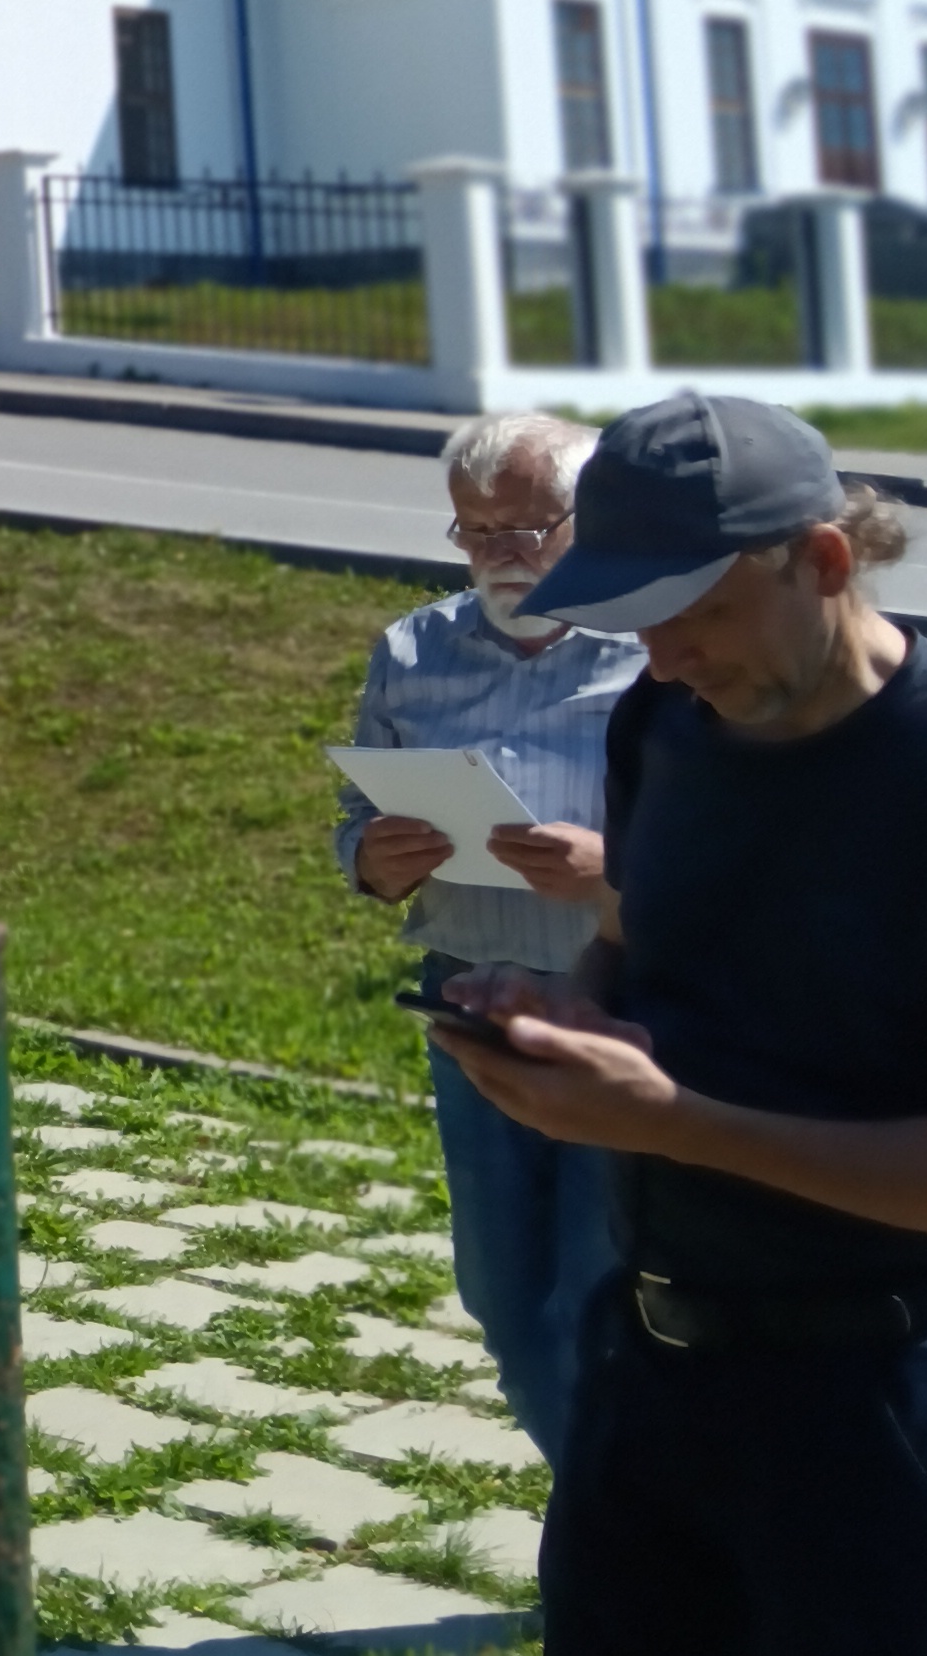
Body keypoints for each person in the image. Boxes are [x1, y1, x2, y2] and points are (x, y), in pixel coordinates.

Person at [438, 392, 927, 1653]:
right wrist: (566, 1012)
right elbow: (633, 933)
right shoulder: (664, 724)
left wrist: (673, 1123)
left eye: (693, 614)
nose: (662, 658)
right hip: (652, 1374)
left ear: (823, 561)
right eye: (632, 624)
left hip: (891, 1408)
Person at [334, 407, 641, 1467]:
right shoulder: (411, 650)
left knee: (599, 1294)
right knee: (504, 1300)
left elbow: (730, 841)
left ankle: (619, 1554)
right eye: (477, 531)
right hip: (471, 999)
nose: (503, 555)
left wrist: (615, 871)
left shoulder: (654, 652)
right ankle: (604, 1522)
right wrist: (371, 861)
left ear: (585, 521)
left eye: (529, 528)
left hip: (615, 1010)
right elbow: (354, 826)